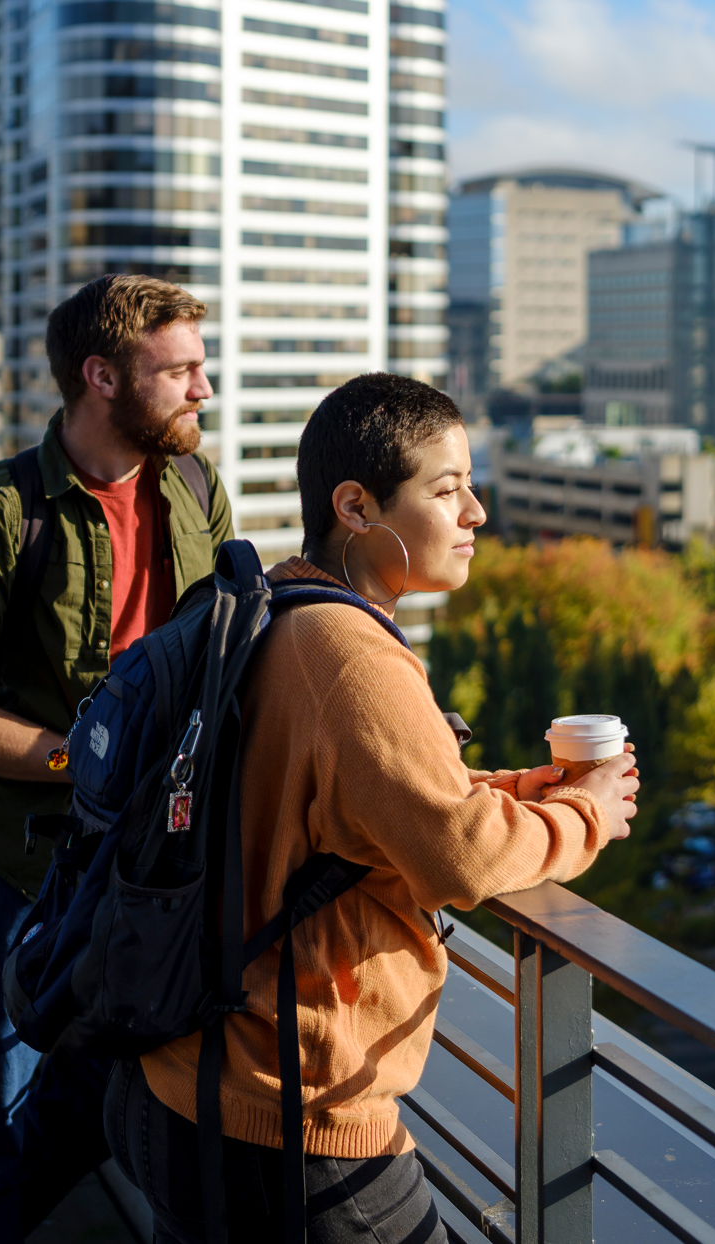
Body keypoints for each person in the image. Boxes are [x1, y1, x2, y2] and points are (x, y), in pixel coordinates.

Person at [106, 372, 641, 1244]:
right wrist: (587, 814)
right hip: (286, 1125)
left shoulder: (277, 606)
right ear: (356, 506)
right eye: (447, 488)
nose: (476, 513)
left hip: (175, 1083)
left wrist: (509, 792)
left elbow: (330, 808)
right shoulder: (351, 655)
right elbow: (459, 860)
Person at [0, 275, 233, 1244]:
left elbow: (232, 661)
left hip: (152, 876)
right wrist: (88, 763)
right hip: (25, 870)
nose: (203, 389)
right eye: (180, 369)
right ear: (100, 377)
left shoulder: (196, 488)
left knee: (103, 1098)